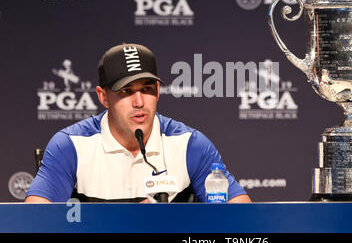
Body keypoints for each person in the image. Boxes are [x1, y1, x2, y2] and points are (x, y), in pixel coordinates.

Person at [25, 43, 251, 203]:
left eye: (147, 89)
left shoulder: (189, 144)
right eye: (126, 91)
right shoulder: (71, 145)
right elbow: (35, 221)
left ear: (158, 91)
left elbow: (240, 216)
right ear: (103, 97)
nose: (140, 102)